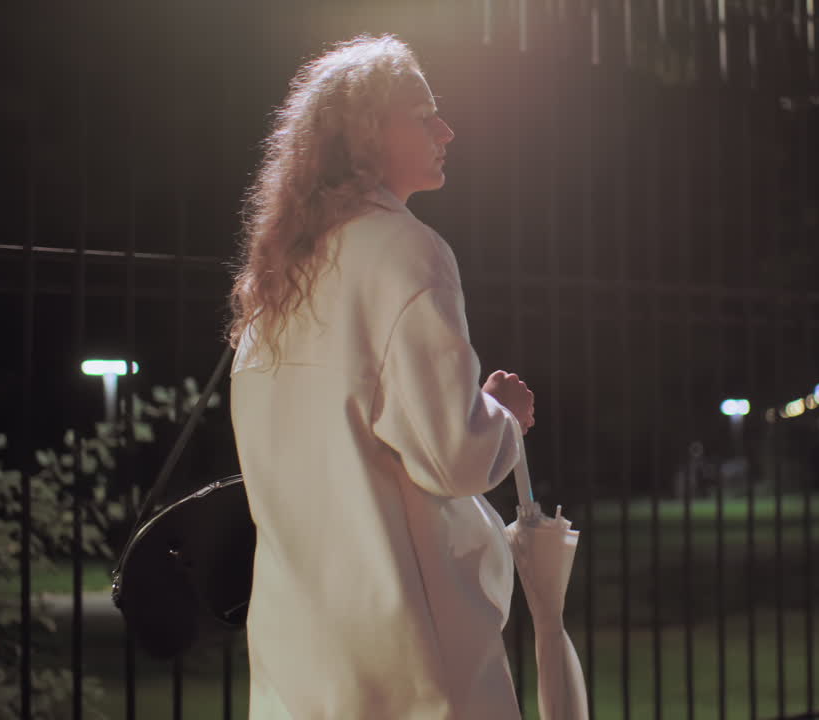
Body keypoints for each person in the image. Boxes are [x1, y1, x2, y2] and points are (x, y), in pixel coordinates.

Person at [227, 34, 533, 719]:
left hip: (297, 653)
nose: (445, 129)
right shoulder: (407, 251)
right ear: (367, 133)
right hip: (406, 655)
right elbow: (452, 457)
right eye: (424, 114)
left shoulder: (277, 279)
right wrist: (503, 414)